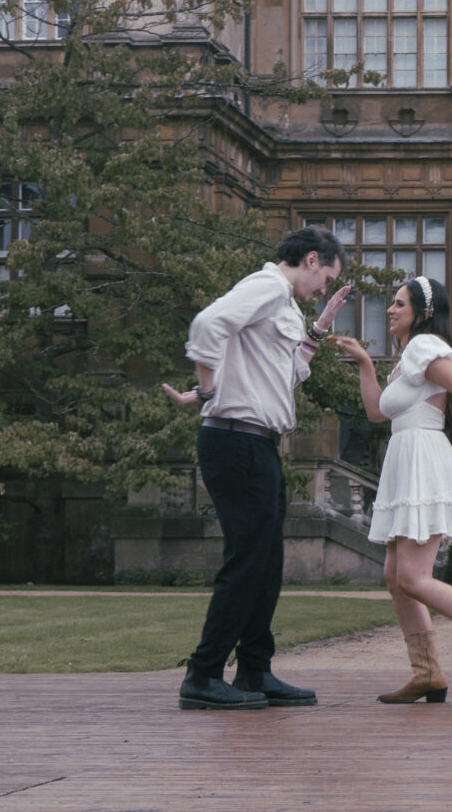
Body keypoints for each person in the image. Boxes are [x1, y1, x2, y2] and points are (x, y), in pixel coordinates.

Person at [163, 226, 350, 711]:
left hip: (257, 445)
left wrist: (319, 328)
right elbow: (208, 325)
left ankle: (254, 669)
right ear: (312, 259)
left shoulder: (284, 306)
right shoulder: (267, 287)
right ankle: (203, 675)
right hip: (236, 440)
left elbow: (286, 371)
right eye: (327, 279)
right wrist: (206, 388)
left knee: (266, 564)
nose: (324, 289)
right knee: (248, 560)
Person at [335, 276, 452, 703]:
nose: (390, 310)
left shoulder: (425, 345)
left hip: (424, 462)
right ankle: (428, 673)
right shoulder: (406, 360)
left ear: (422, 313)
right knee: (395, 576)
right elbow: (376, 411)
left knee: (414, 577)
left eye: (399, 304)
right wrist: (365, 363)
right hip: (406, 463)